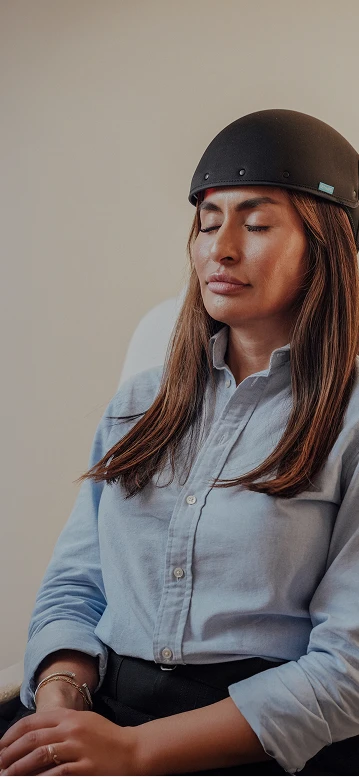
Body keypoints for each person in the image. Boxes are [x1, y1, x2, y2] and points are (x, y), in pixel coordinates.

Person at [1, 108, 359, 776]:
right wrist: (62, 703)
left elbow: (348, 670)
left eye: (254, 224)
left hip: (257, 738)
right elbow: (76, 584)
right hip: (104, 707)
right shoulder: (140, 400)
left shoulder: (350, 419)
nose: (220, 248)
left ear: (325, 244)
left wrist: (136, 751)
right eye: (206, 222)